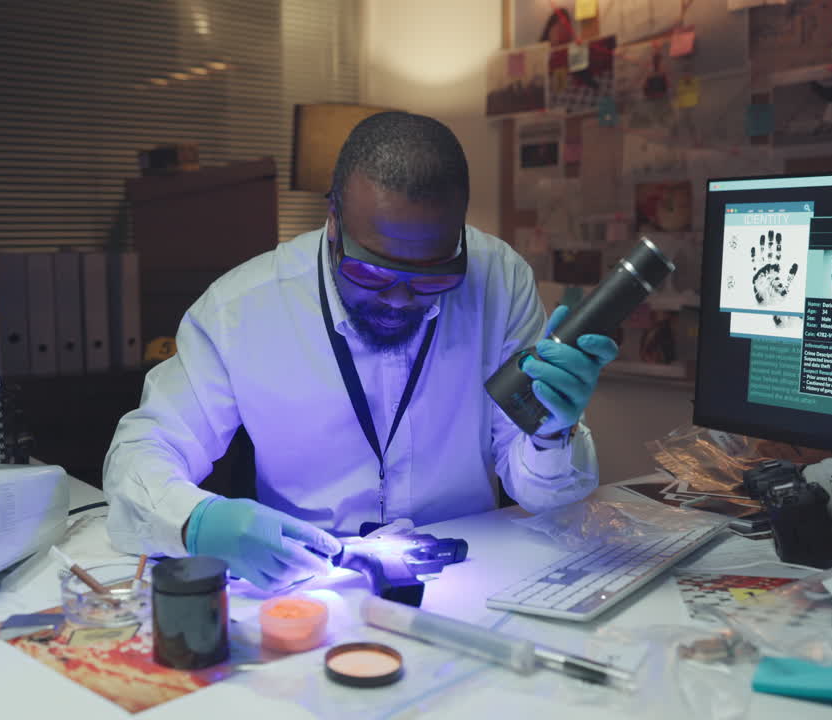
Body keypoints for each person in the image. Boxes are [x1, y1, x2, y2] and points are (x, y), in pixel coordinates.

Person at [103, 112, 618, 590]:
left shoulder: (498, 281)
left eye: (430, 277)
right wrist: (197, 522)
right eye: (370, 272)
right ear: (333, 221)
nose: (398, 298)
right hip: (308, 584)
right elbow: (139, 455)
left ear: (457, 237)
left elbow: (545, 495)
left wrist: (552, 433)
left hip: (468, 579)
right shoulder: (241, 310)